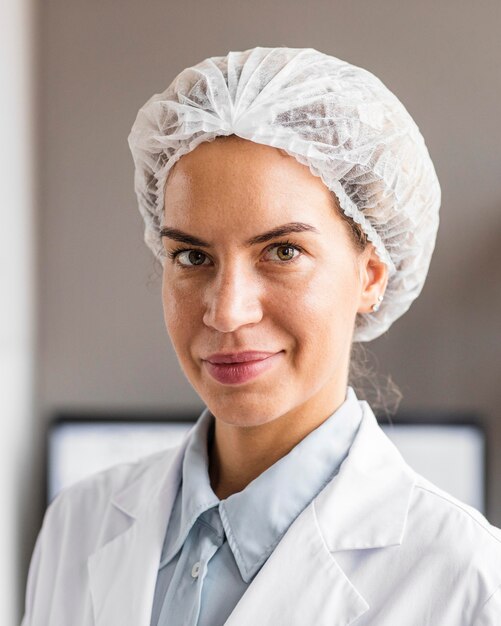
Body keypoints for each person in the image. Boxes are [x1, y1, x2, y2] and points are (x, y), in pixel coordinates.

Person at [22, 46, 501, 626]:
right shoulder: (78, 524)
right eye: (192, 255)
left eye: (282, 251)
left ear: (371, 275)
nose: (226, 313)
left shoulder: (466, 582)